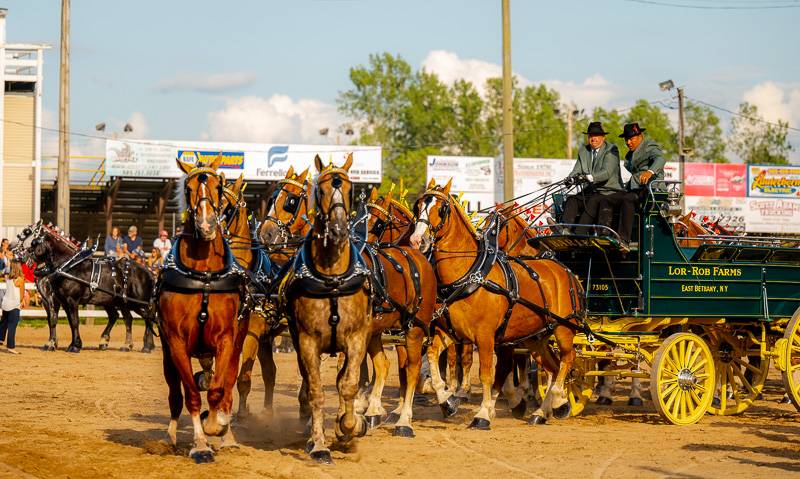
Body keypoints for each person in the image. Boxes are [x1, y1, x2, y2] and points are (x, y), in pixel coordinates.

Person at [599, 122, 666, 248]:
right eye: (626, 139)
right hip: (635, 188)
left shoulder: (649, 145)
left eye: (631, 138)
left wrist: (649, 172)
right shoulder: (630, 155)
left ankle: (624, 240)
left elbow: (660, 159)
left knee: (627, 199)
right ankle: (604, 236)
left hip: (651, 189)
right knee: (607, 199)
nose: (628, 142)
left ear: (640, 136)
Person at [560, 122, 623, 234]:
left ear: (603, 137)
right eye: (590, 136)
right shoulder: (584, 151)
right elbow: (576, 170)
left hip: (609, 192)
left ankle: (580, 233)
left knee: (594, 201)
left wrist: (589, 177)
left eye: (596, 136)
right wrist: (570, 179)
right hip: (592, 192)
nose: (593, 139)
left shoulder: (611, 150)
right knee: (572, 200)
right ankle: (565, 229)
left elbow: (607, 172)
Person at [0, 261, 28, 354]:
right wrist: (22, 302)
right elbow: (21, 294)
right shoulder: (20, 279)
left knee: (3, 323)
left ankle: (0, 339)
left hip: (5, 303)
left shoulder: (8, 278)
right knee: (12, 325)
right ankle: (11, 347)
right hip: (14, 305)